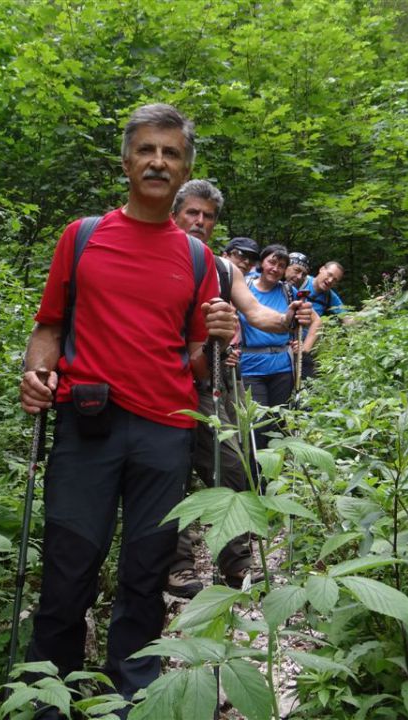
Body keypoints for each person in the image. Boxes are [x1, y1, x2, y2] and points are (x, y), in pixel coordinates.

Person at [18, 103, 236, 717]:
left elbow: (199, 363)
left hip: (165, 433)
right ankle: (46, 697)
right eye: (147, 150)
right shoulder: (82, 237)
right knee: (67, 570)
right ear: (127, 162)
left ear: (186, 166)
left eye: (171, 153)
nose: (158, 162)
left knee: (145, 576)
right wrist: (35, 373)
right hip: (87, 425)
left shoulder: (196, 259)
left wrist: (219, 332)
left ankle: (131, 698)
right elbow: (49, 327)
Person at [168, 180, 311, 597]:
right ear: (176, 213)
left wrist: (288, 320)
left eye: (208, 216)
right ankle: (177, 564)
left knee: (233, 465)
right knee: (169, 473)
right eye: (192, 212)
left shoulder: (222, 268)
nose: (199, 222)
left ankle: (235, 558)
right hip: (165, 380)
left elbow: (256, 313)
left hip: (212, 385)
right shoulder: (156, 256)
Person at [238, 245, 318, 449]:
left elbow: (312, 320)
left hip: (282, 368)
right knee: (256, 425)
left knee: (277, 422)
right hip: (250, 368)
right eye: (272, 262)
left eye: (281, 266)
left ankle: (273, 473)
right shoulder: (243, 288)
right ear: (261, 263)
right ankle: (254, 474)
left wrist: (304, 346)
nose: (275, 268)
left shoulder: (288, 292)